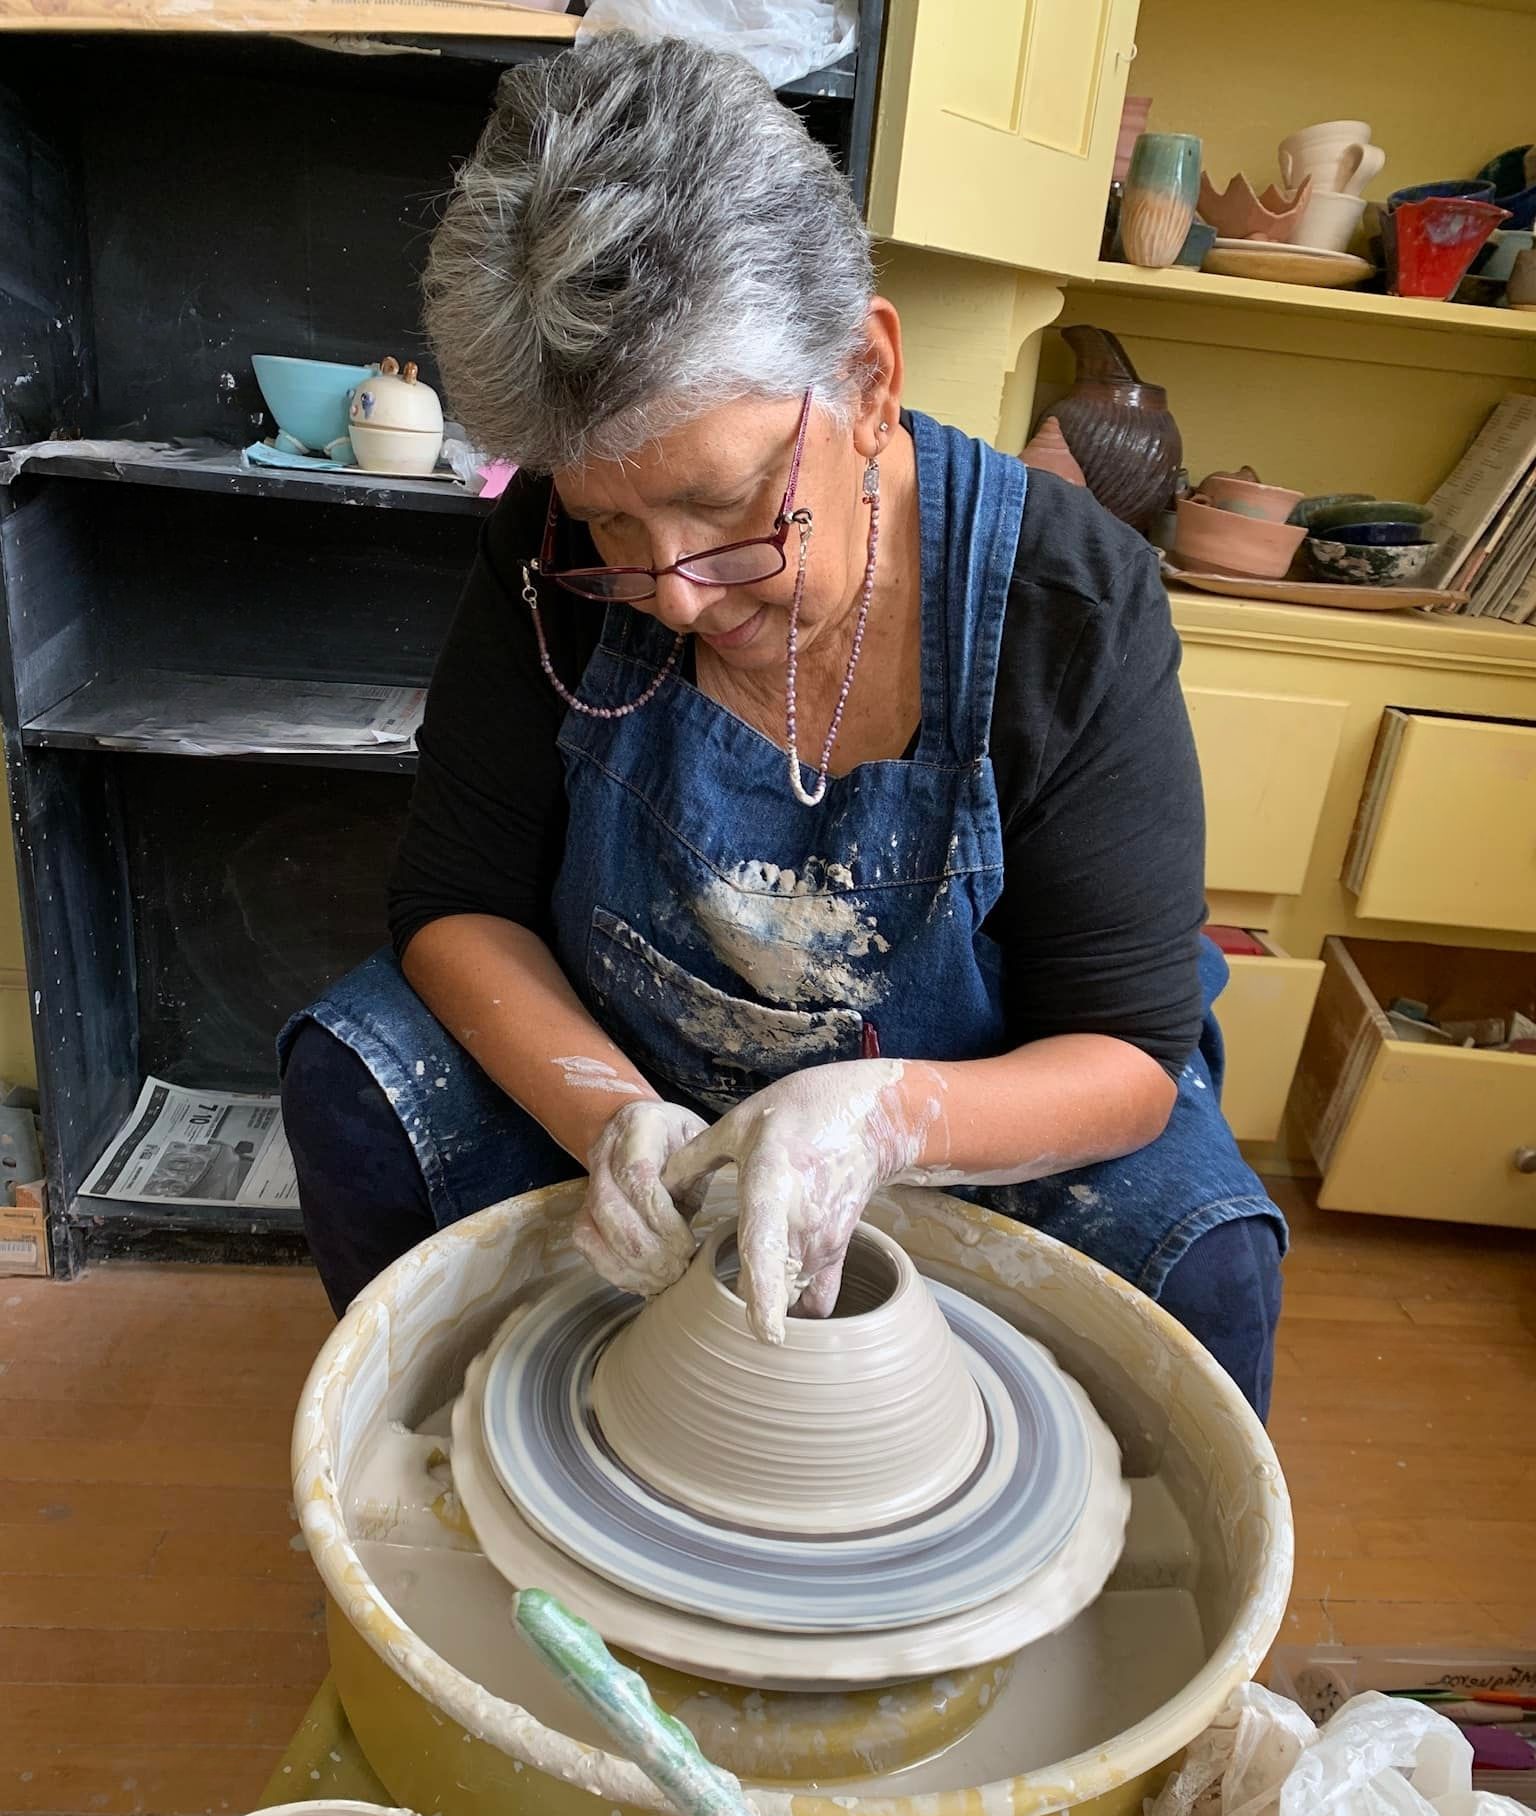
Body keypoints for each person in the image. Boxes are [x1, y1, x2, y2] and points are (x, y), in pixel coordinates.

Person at [279, 34, 1285, 1416]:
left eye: (735, 505)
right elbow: (454, 902)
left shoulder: (1066, 597)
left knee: (1204, 1264)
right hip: (643, 1072)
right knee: (358, 1077)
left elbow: (1124, 1050)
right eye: (614, 525)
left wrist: (881, 1121)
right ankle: (476, 1469)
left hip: (968, 1101)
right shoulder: (543, 560)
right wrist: (605, 1113)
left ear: (869, 378)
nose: (676, 593)